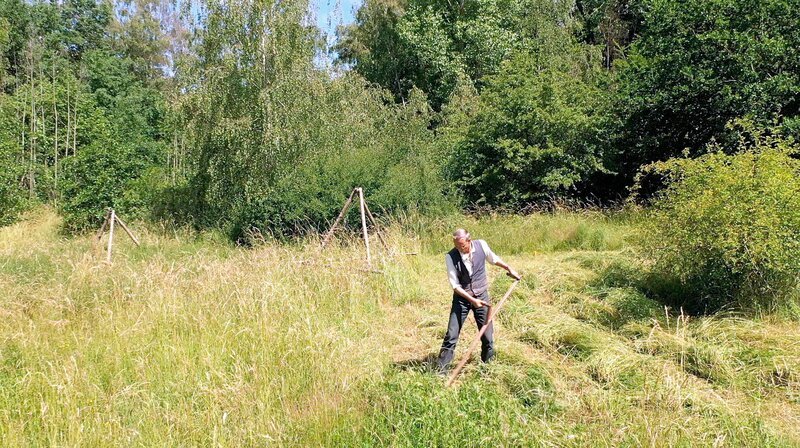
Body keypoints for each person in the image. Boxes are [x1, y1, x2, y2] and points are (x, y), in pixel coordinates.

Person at [436, 228, 520, 373]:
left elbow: (493, 259)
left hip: (482, 296)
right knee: (452, 334)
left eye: (461, 245)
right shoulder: (450, 256)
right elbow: (455, 285)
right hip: (462, 299)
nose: (459, 249)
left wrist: (508, 268)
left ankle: (488, 367)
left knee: (487, 335)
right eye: (456, 245)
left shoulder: (481, 245)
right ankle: (441, 371)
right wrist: (471, 300)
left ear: (469, 240)